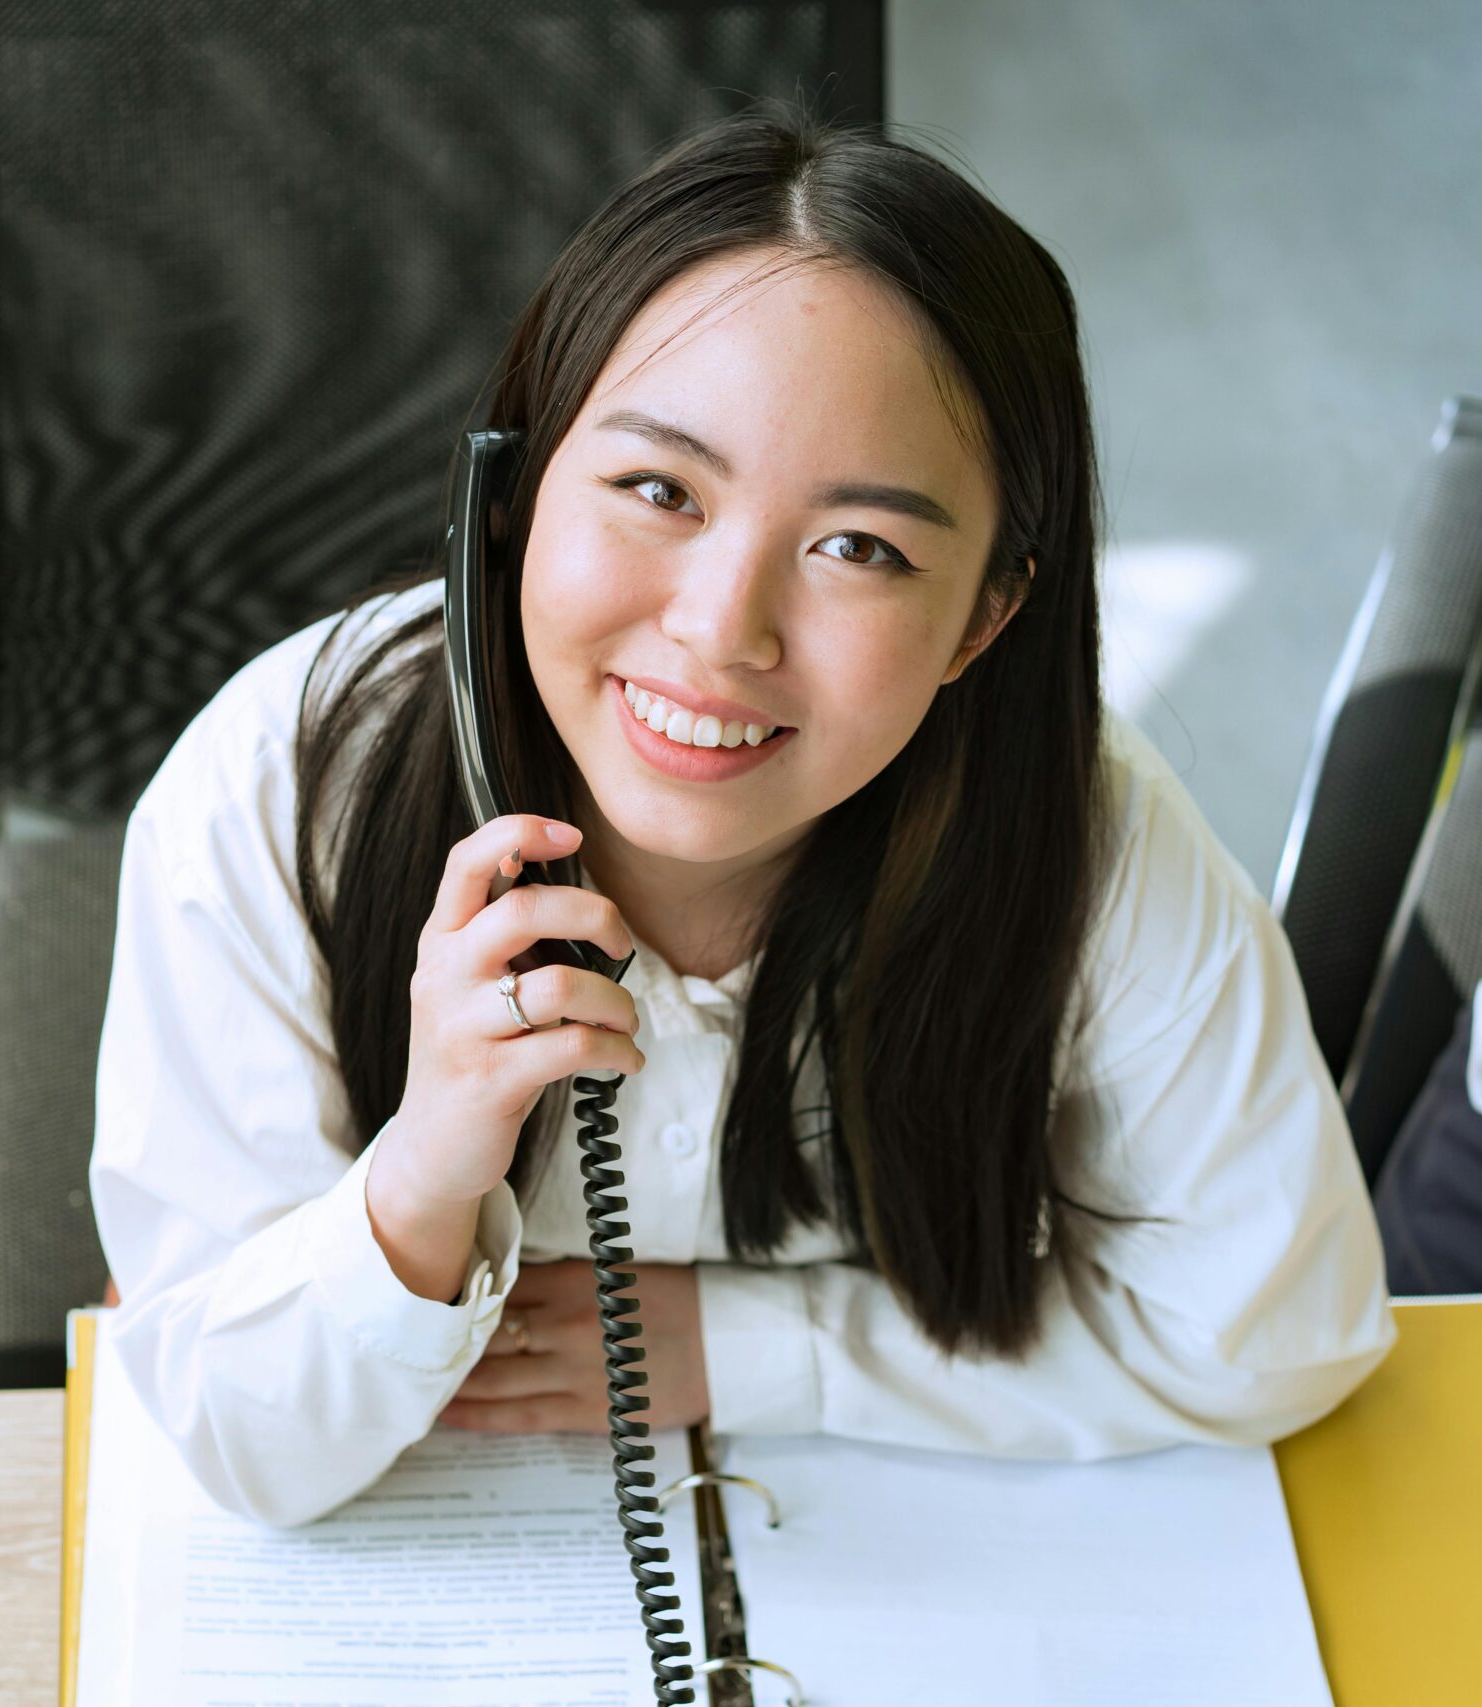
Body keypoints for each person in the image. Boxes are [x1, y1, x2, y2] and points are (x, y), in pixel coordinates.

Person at [87, 105, 1396, 1529]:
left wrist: (745, 1347)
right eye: (659, 489)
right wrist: (429, 1164)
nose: (721, 632)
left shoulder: (1087, 840)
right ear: (516, 484)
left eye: (860, 548)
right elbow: (230, 1441)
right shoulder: (280, 783)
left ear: (984, 620)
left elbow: (1283, 1329)